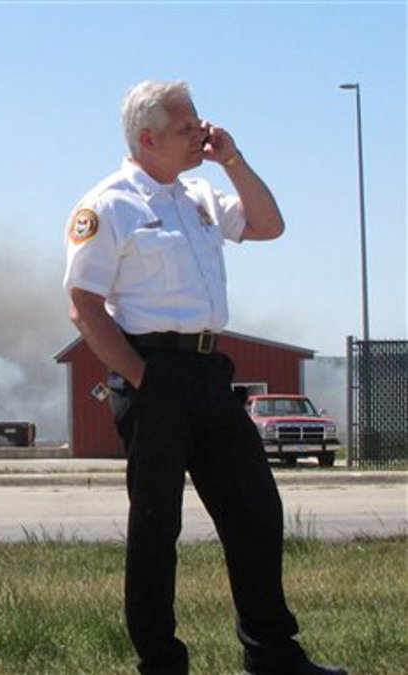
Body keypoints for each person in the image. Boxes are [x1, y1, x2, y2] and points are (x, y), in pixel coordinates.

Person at [63, 80, 347, 675]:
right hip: (153, 372)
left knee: (256, 512)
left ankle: (273, 654)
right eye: (186, 127)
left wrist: (233, 160)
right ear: (148, 138)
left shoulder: (198, 194)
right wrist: (141, 377)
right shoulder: (109, 204)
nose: (201, 132)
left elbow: (269, 226)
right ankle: (161, 661)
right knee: (156, 526)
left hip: (210, 372)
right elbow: (84, 306)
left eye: (198, 124)